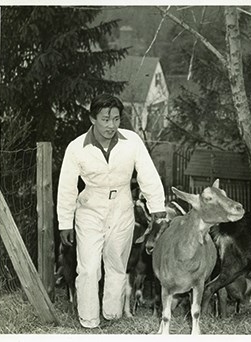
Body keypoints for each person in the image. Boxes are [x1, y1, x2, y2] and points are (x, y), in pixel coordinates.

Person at [57, 94, 167, 328]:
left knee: (116, 264)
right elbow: (66, 187)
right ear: (92, 118)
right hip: (90, 209)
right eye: (105, 119)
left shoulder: (133, 141)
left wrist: (157, 208)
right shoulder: (76, 148)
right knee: (88, 267)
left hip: (122, 207)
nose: (111, 125)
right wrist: (65, 222)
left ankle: (112, 315)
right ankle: (88, 320)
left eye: (116, 119)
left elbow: (148, 174)